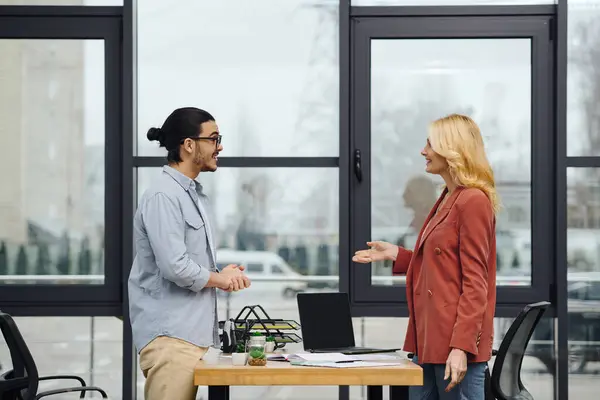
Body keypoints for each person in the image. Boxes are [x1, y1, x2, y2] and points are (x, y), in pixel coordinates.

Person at [353, 113, 498, 400]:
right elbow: (441, 264)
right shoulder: (448, 196)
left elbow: (475, 285)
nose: (424, 151)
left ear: (452, 149)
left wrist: (461, 348)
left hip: (455, 349)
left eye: (430, 143)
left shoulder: (473, 201)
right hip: (430, 340)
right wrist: (396, 254)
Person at [128, 107, 251, 400]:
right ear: (189, 145)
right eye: (214, 138)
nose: (219, 146)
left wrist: (220, 274)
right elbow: (174, 267)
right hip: (171, 339)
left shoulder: (192, 195)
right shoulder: (163, 195)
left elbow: (187, 264)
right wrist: (221, 280)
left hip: (189, 337)